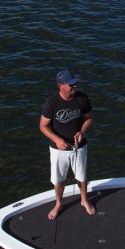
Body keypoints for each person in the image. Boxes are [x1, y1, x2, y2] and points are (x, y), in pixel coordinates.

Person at [39, 68, 95, 220]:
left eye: (75, 83)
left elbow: (89, 118)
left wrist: (82, 132)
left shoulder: (82, 98)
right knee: (59, 179)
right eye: (71, 85)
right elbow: (43, 126)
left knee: (81, 176)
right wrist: (57, 140)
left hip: (79, 147)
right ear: (61, 86)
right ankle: (58, 204)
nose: (75, 86)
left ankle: (84, 200)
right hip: (58, 150)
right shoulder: (52, 103)